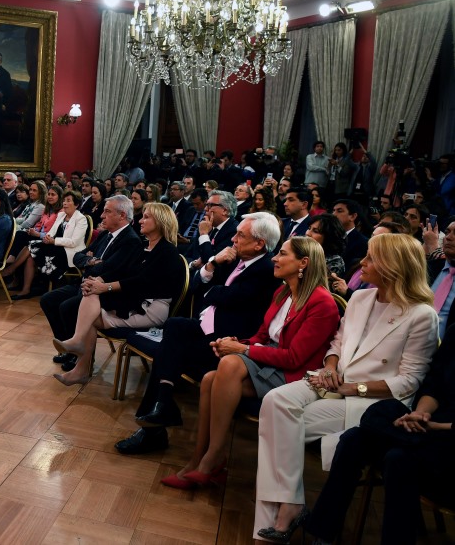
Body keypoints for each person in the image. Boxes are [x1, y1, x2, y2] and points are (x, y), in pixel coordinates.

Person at [253, 233, 439, 544]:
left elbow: (409, 381)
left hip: (372, 400)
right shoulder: (360, 298)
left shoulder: (422, 315)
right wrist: (328, 367)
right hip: (334, 381)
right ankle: (291, 503)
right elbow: (337, 342)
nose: (361, 263)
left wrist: (355, 389)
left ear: (393, 266)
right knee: (274, 401)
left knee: (280, 424)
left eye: (370, 258)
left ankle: (281, 515)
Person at [161, 237, 340, 489]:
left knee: (230, 365)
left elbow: (293, 358)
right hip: (270, 362)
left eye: (282, 254)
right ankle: (197, 460)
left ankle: (213, 458)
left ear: (303, 262)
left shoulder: (322, 303)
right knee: (211, 379)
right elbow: (262, 337)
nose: (274, 259)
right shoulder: (283, 292)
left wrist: (242, 349)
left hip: (294, 375)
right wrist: (234, 342)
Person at [116, 213, 283, 455]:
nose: (233, 239)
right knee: (174, 326)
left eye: (240, 235)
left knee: (170, 350)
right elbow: (198, 284)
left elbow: (226, 296)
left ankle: (155, 425)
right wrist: (213, 262)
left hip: (229, 342)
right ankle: (162, 404)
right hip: (209, 327)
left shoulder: (265, 269)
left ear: (259, 243)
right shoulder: (235, 260)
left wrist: (213, 290)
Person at [304, 328, 455, 545]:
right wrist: (421, 413)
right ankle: (323, 534)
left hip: (447, 438)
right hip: (429, 426)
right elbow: (434, 384)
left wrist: (435, 425)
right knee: (354, 439)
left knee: (399, 459)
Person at [52, 202, 186, 386]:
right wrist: (100, 281)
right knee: (91, 296)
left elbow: (141, 282)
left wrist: (105, 287)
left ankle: (78, 349)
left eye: (147, 217)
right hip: (135, 300)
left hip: (151, 309)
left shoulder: (167, 251)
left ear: (161, 221)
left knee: (91, 300)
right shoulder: (146, 247)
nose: (140, 220)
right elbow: (125, 274)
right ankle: (80, 366)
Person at [40, 195, 144, 372]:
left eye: (107, 211)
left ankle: (82, 356)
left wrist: (92, 262)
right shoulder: (106, 235)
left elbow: (107, 269)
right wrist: (91, 261)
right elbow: (79, 255)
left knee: (67, 306)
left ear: (122, 215)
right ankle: (68, 347)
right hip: (85, 283)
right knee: (48, 300)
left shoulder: (130, 240)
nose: (102, 216)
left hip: (103, 291)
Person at [11, 190, 88, 300]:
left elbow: (73, 242)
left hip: (69, 252)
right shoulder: (61, 215)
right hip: (55, 246)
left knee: (33, 248)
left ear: (76, 204)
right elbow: (52, 231)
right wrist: (48, 237)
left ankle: (11, 269)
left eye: (68, 201)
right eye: (64, 201)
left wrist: (53, 241)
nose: (65, 203)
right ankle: (26, 289)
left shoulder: (81, 219)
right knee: (31, 252)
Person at [305, 213, 347, 278]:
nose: (308, 233)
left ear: (328, 237)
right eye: (309, 228)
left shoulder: (334, 262)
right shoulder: (301, 252)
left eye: (315, 231)